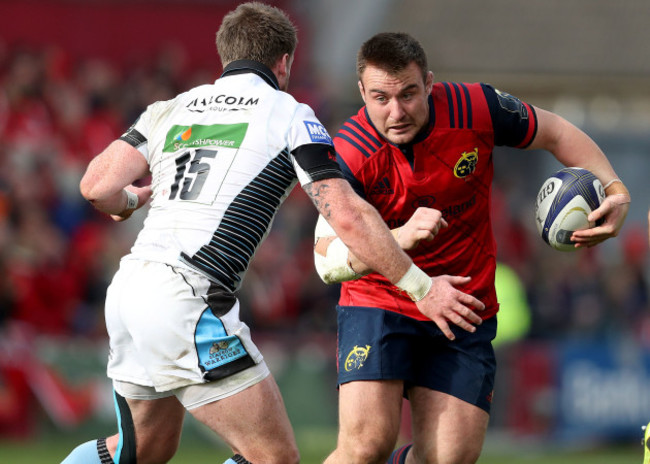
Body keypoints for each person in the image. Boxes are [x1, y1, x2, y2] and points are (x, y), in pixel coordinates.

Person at [61, 5, 484, 464]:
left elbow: (95, 186)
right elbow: (347, 217)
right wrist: (421, 288)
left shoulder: (172, 106)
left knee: (140, 451)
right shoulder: (289, 113)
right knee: (274, 458)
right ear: (284, 63)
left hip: (128, 290)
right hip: (187, 295)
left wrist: (128, 202)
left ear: (225, 57)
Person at [314, 32, 631, 464]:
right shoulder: (349, 152)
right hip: (381, 302)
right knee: (366, 446)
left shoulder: (474, 108)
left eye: (408, 94)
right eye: (381, 98)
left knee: (450, 457)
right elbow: (325, 259)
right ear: (361, 94)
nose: (396, 111)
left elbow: (555, 131)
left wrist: (615, 189)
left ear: (428, 82)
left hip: (464, 302)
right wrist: (398, 237)